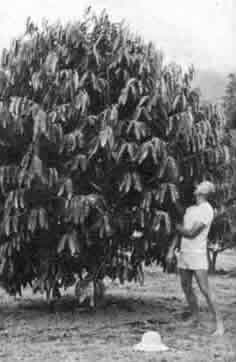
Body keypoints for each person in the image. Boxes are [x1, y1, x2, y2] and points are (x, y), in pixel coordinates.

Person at [166, 181, 224, 336]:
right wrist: (171, 250)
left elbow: (191, 233)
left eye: (202, 185)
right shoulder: (190, 209)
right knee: (186, 287)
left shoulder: (207, 210)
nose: (197, 185)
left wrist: (174, 225)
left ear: (205, 192)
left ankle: (219, 324)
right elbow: (181, 233)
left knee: (205, 289)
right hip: (185, 253)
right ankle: (195, 317)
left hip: (197, 255)